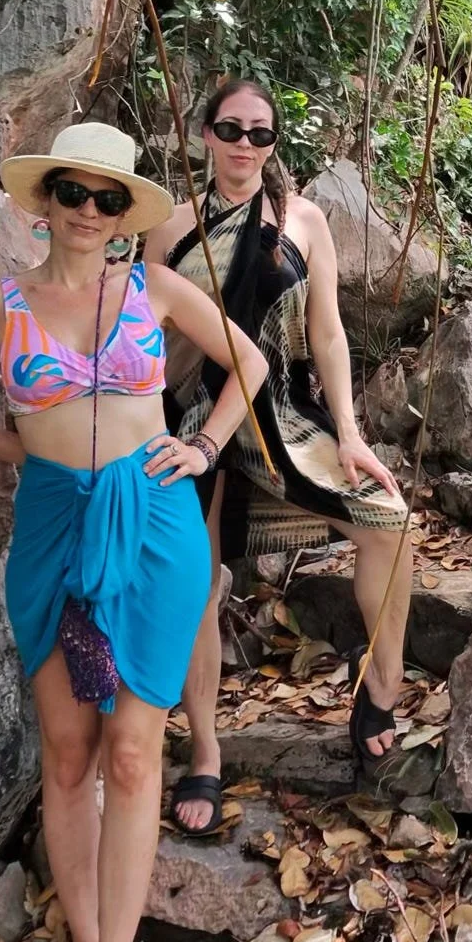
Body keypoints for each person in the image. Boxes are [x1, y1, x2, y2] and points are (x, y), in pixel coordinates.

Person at [0, 121, 267, 942]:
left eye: (109, 197)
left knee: (130, 748)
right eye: (73, 190)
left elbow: (247, 363)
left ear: (126, 213)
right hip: (53, 529)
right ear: (45, 198)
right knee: (65, 756)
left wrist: (201, 447)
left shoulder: (154, 292)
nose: (88, 210)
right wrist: (22, 445)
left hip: (154, 530)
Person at [149, 77, 414, 838]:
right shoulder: (169, 228)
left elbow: (327, 332)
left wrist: (353, 431)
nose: (244, 145)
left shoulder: (302, 219)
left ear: (274, 146)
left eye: (260, 134)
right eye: (231, 129)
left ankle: (384, 687)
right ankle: (205, 749)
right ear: (204, 135)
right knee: (199, 586)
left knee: (388, 523)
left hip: (284, 413)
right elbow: (153, 338)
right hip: (191, 417)